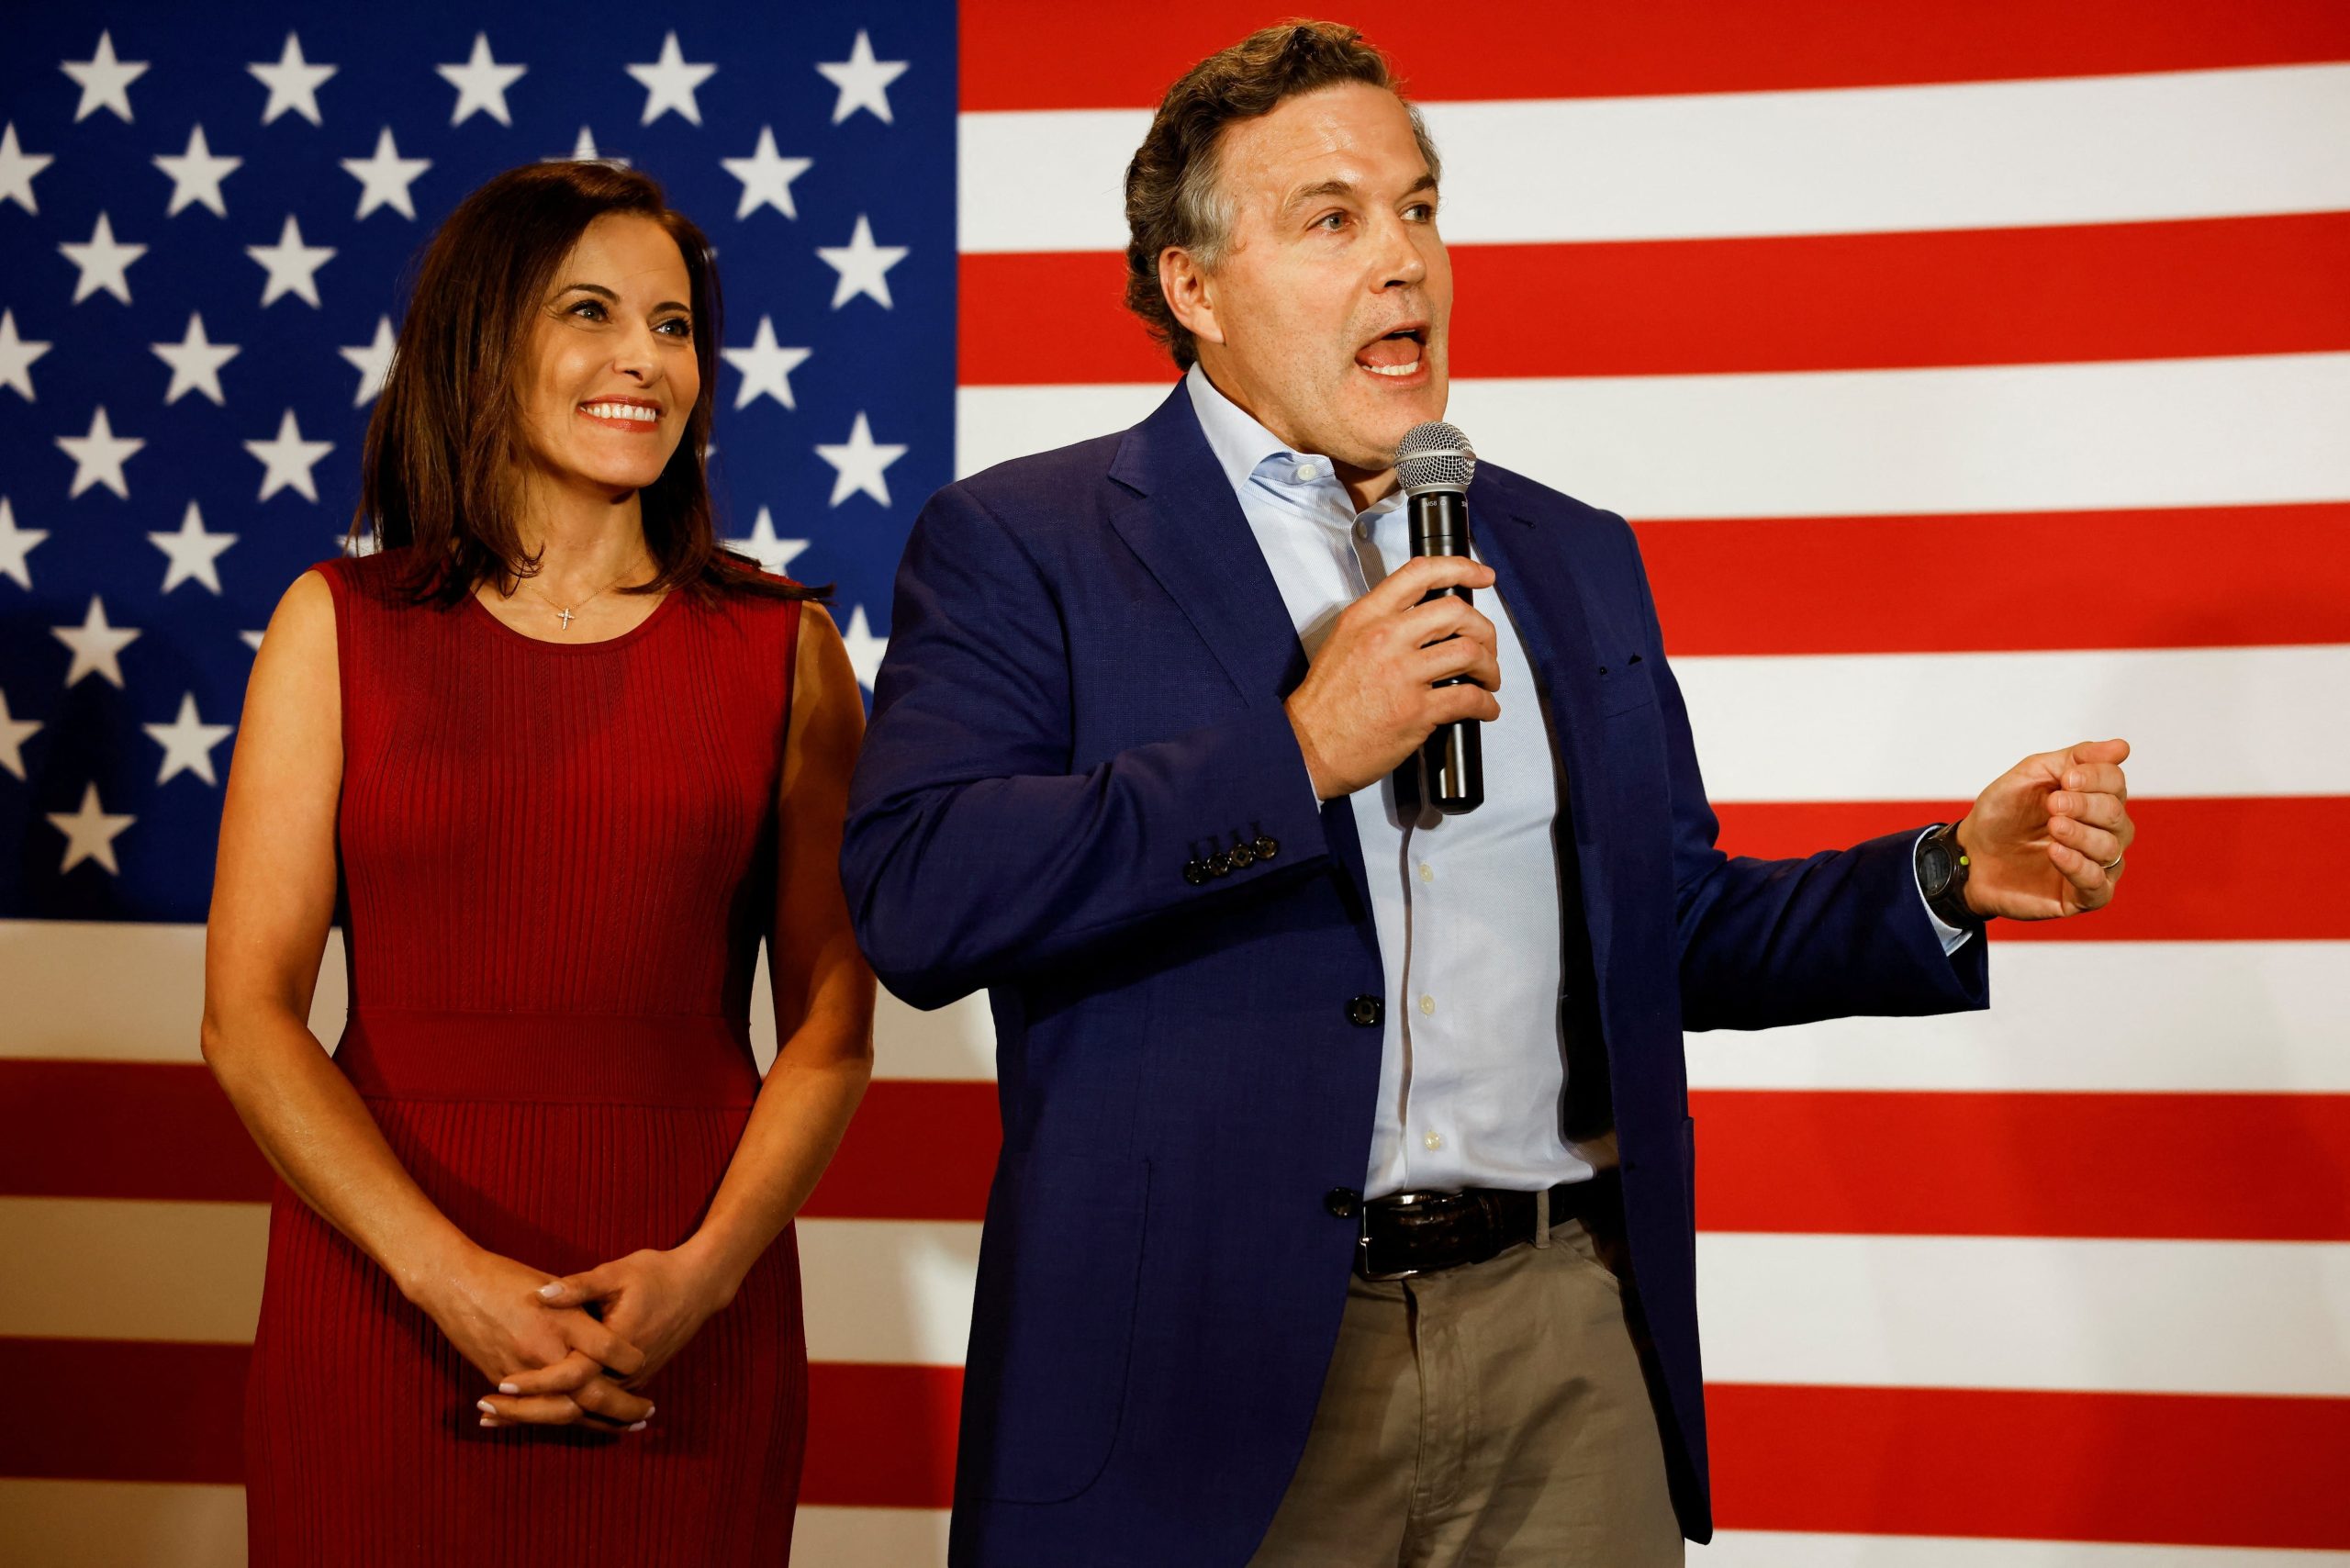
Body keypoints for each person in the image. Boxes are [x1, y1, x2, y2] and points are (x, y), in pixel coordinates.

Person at [842, 21, 2135, 1568]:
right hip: (1203, 1361)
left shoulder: (1568, 550)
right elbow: (922, 896)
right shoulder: (1028, 541)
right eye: (1333, 218)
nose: (1406, 262)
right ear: (1195, 289)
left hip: (1559, 1343)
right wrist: (1302, 752)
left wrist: (1939, 875)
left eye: (1421, 207)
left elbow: (1672, 924)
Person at [201, 162, 874, 1565]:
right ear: (481, 338)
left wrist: (697, 1284)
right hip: (383, 1300)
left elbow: (831, 1027)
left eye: (676, 325)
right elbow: (248, 1019)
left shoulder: (784, 646)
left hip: (686, 1310)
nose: (647, 358)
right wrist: (451, 1284)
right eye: (592, 312)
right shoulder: (336, 626)